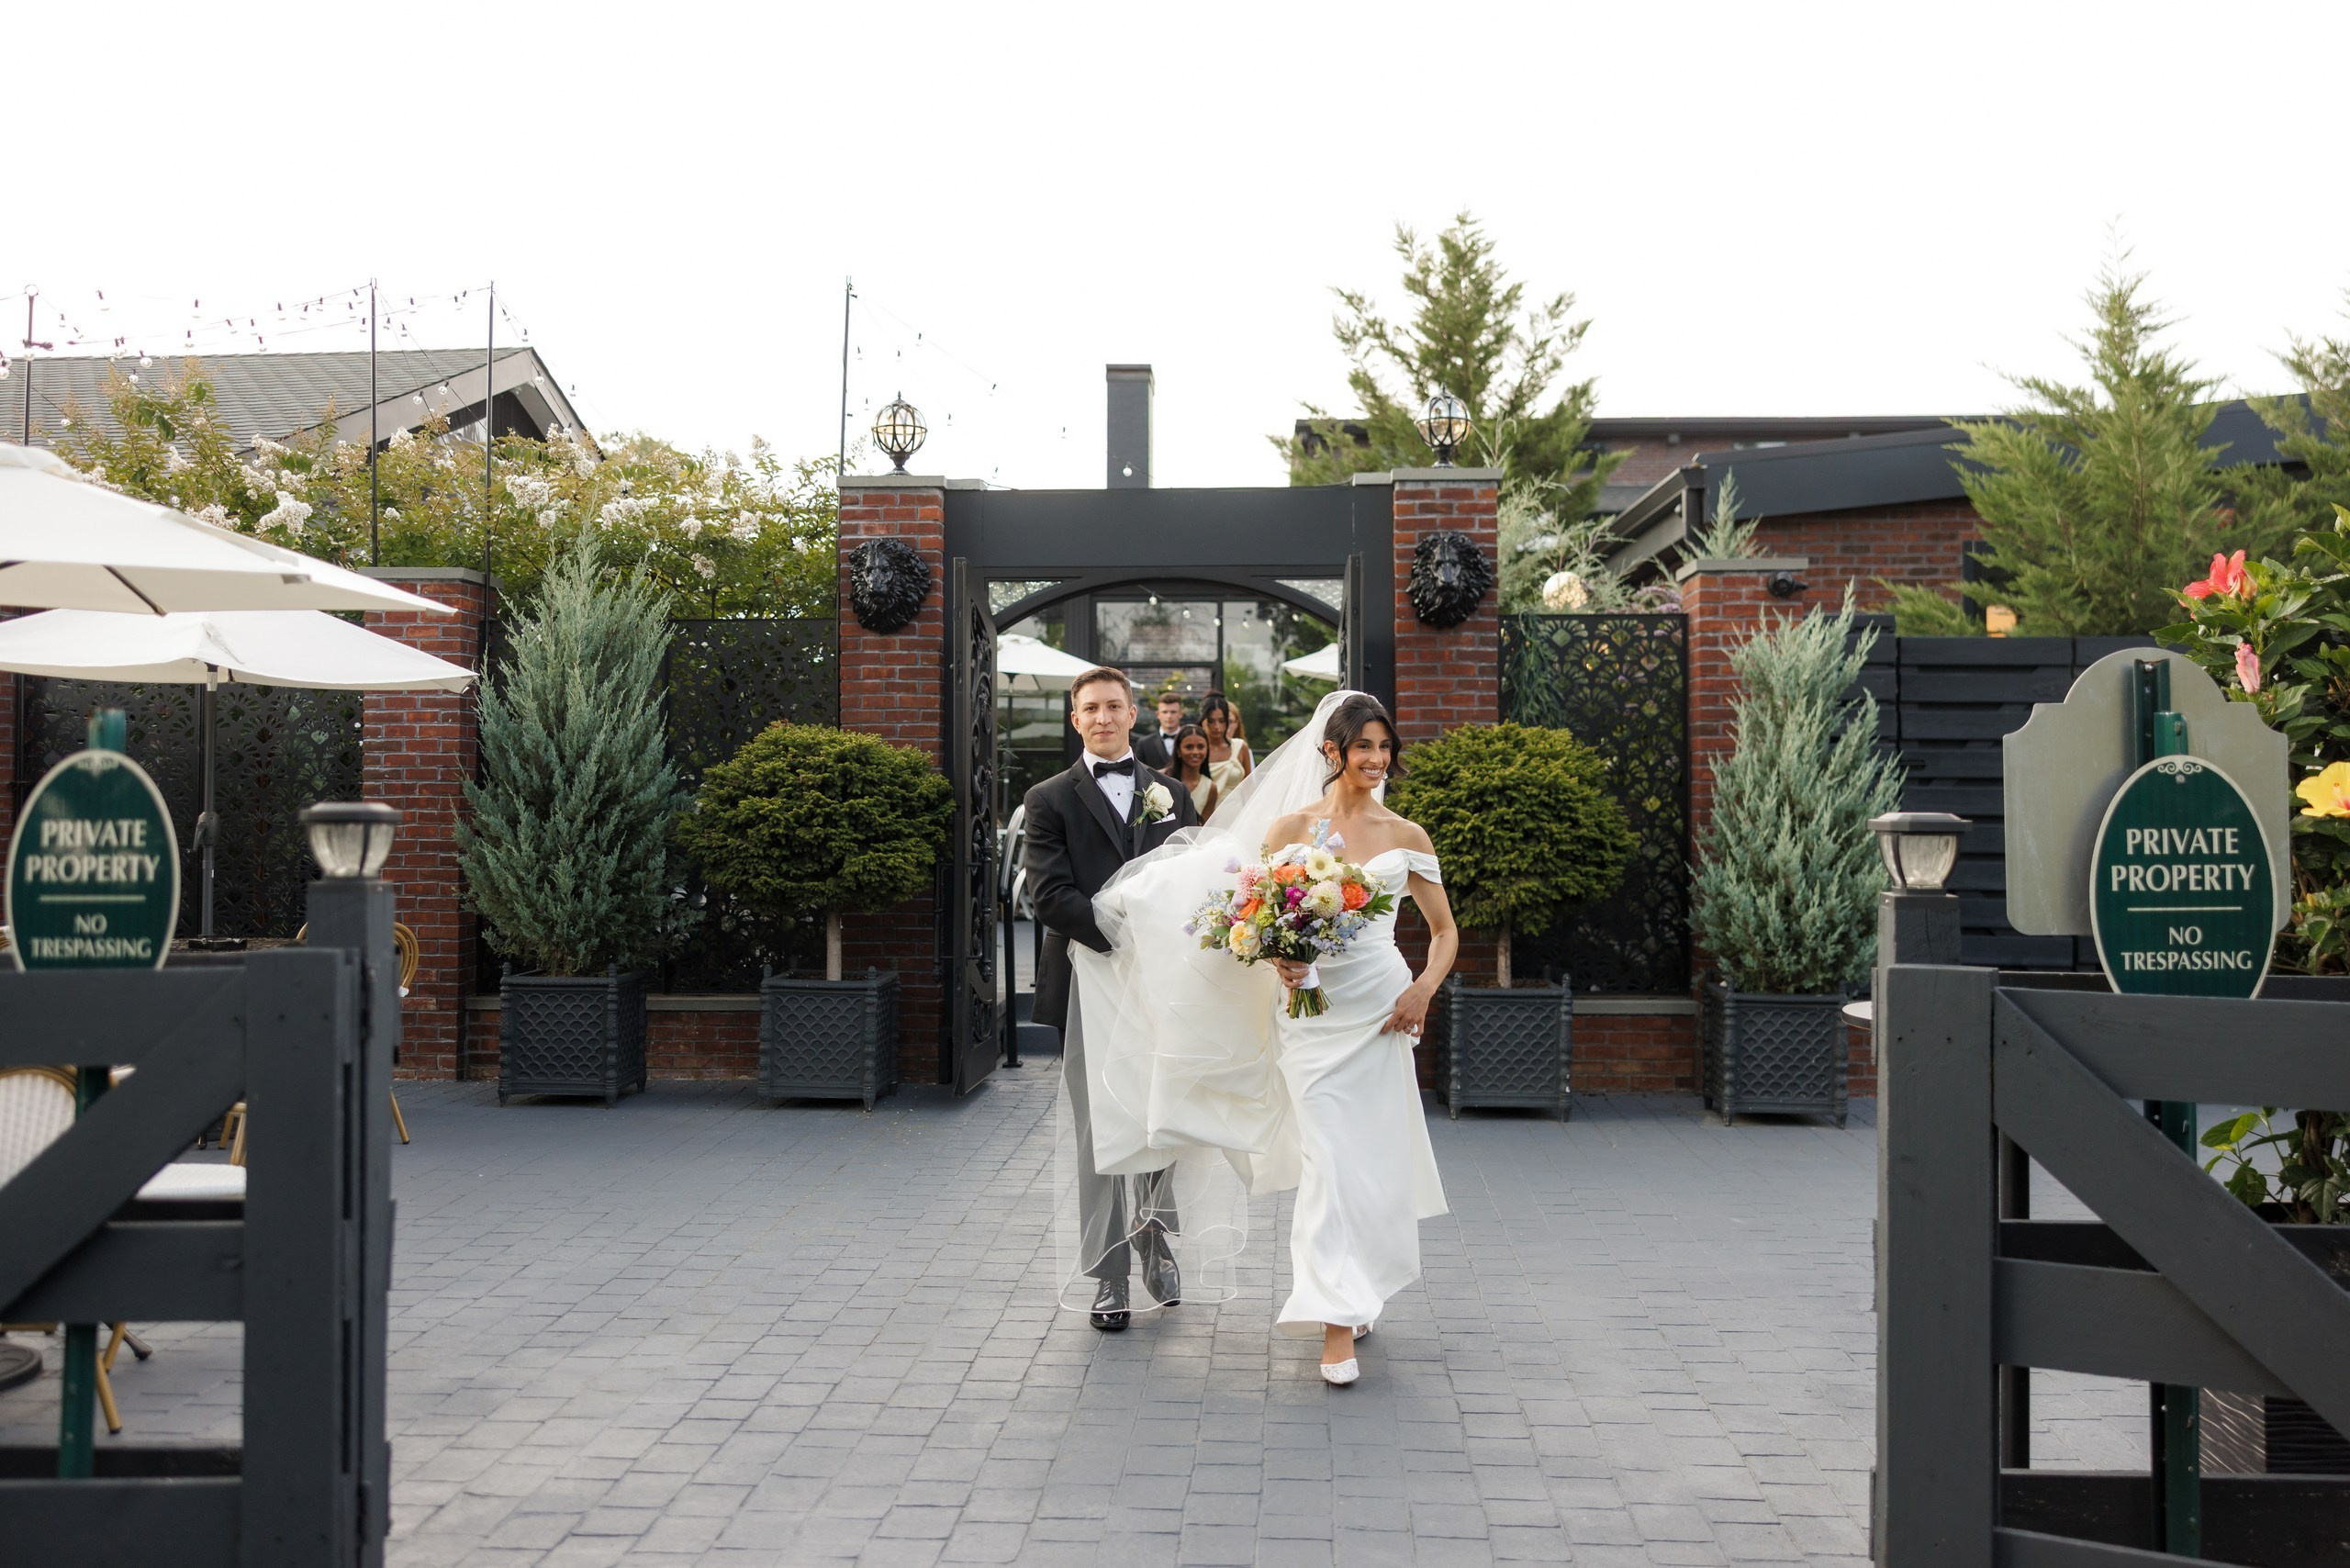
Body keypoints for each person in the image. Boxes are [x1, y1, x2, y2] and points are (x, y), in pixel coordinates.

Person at [1055, 689, 1456, 1387]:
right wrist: (1278, 956)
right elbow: (1254, 921)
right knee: (1329, 1157)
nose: (1377, 759)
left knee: (1371, 1159)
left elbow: (1446, 931)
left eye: (1385, 748)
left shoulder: (1407, 835)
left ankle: (1358, 1285)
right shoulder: (1288, 829)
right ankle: (1333, 1323)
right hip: (1310, 1015)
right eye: (1364, 746)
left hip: (1382, 1010)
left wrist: (1422, 989)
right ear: (1330, 751)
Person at [1023, 666, 1201, 1331]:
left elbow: (1196, 882)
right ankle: (1108, 1277)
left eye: (1113, 706)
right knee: (1100, 1133)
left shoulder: (1172, 793)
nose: (1102, 717)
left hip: (1163, 990)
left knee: (1163, 1119)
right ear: (1076, 720)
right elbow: (1051, 897)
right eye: (1090, 708)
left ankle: (1153, 1237)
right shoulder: (1047, 798)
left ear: (1134, 715)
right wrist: (1126, 938)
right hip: (1084, 983)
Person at [1199, 691, 1252, 797]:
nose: (1217, 726)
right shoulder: (1196, 750)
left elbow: (1248, 788)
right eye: (1211, 721)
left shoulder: (1240, 747)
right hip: (1202, 810)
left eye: (1221, 721)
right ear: (1203, 721)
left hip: (1237, 809)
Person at [1171, 724, 1220, 819]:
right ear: (1178, 750)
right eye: (1189, 747)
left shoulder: (1211, 788)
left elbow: (1205, 827)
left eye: (1201, 747)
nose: (1195, 752)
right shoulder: (1161, 778)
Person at [1135, 690, 1188, 771]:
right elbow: (1138, 773)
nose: (1169, 716)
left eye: (1173, 712)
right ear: (1158, 714)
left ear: (1181, 714)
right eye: (1165, 712)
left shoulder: (1190, 740)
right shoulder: (1144, 743)